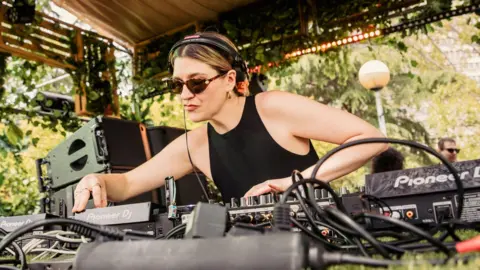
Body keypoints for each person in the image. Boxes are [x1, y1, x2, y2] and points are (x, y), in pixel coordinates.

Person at [71, 32, 387, 212]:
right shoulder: (194, 144)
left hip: (316, 244)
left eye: (196, 82)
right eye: (176, 84)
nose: (184, 94)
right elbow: (126, 185)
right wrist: (97, 180)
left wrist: (294, 182)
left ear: (229, 79)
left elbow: (372, 138)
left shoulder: (272, 106)